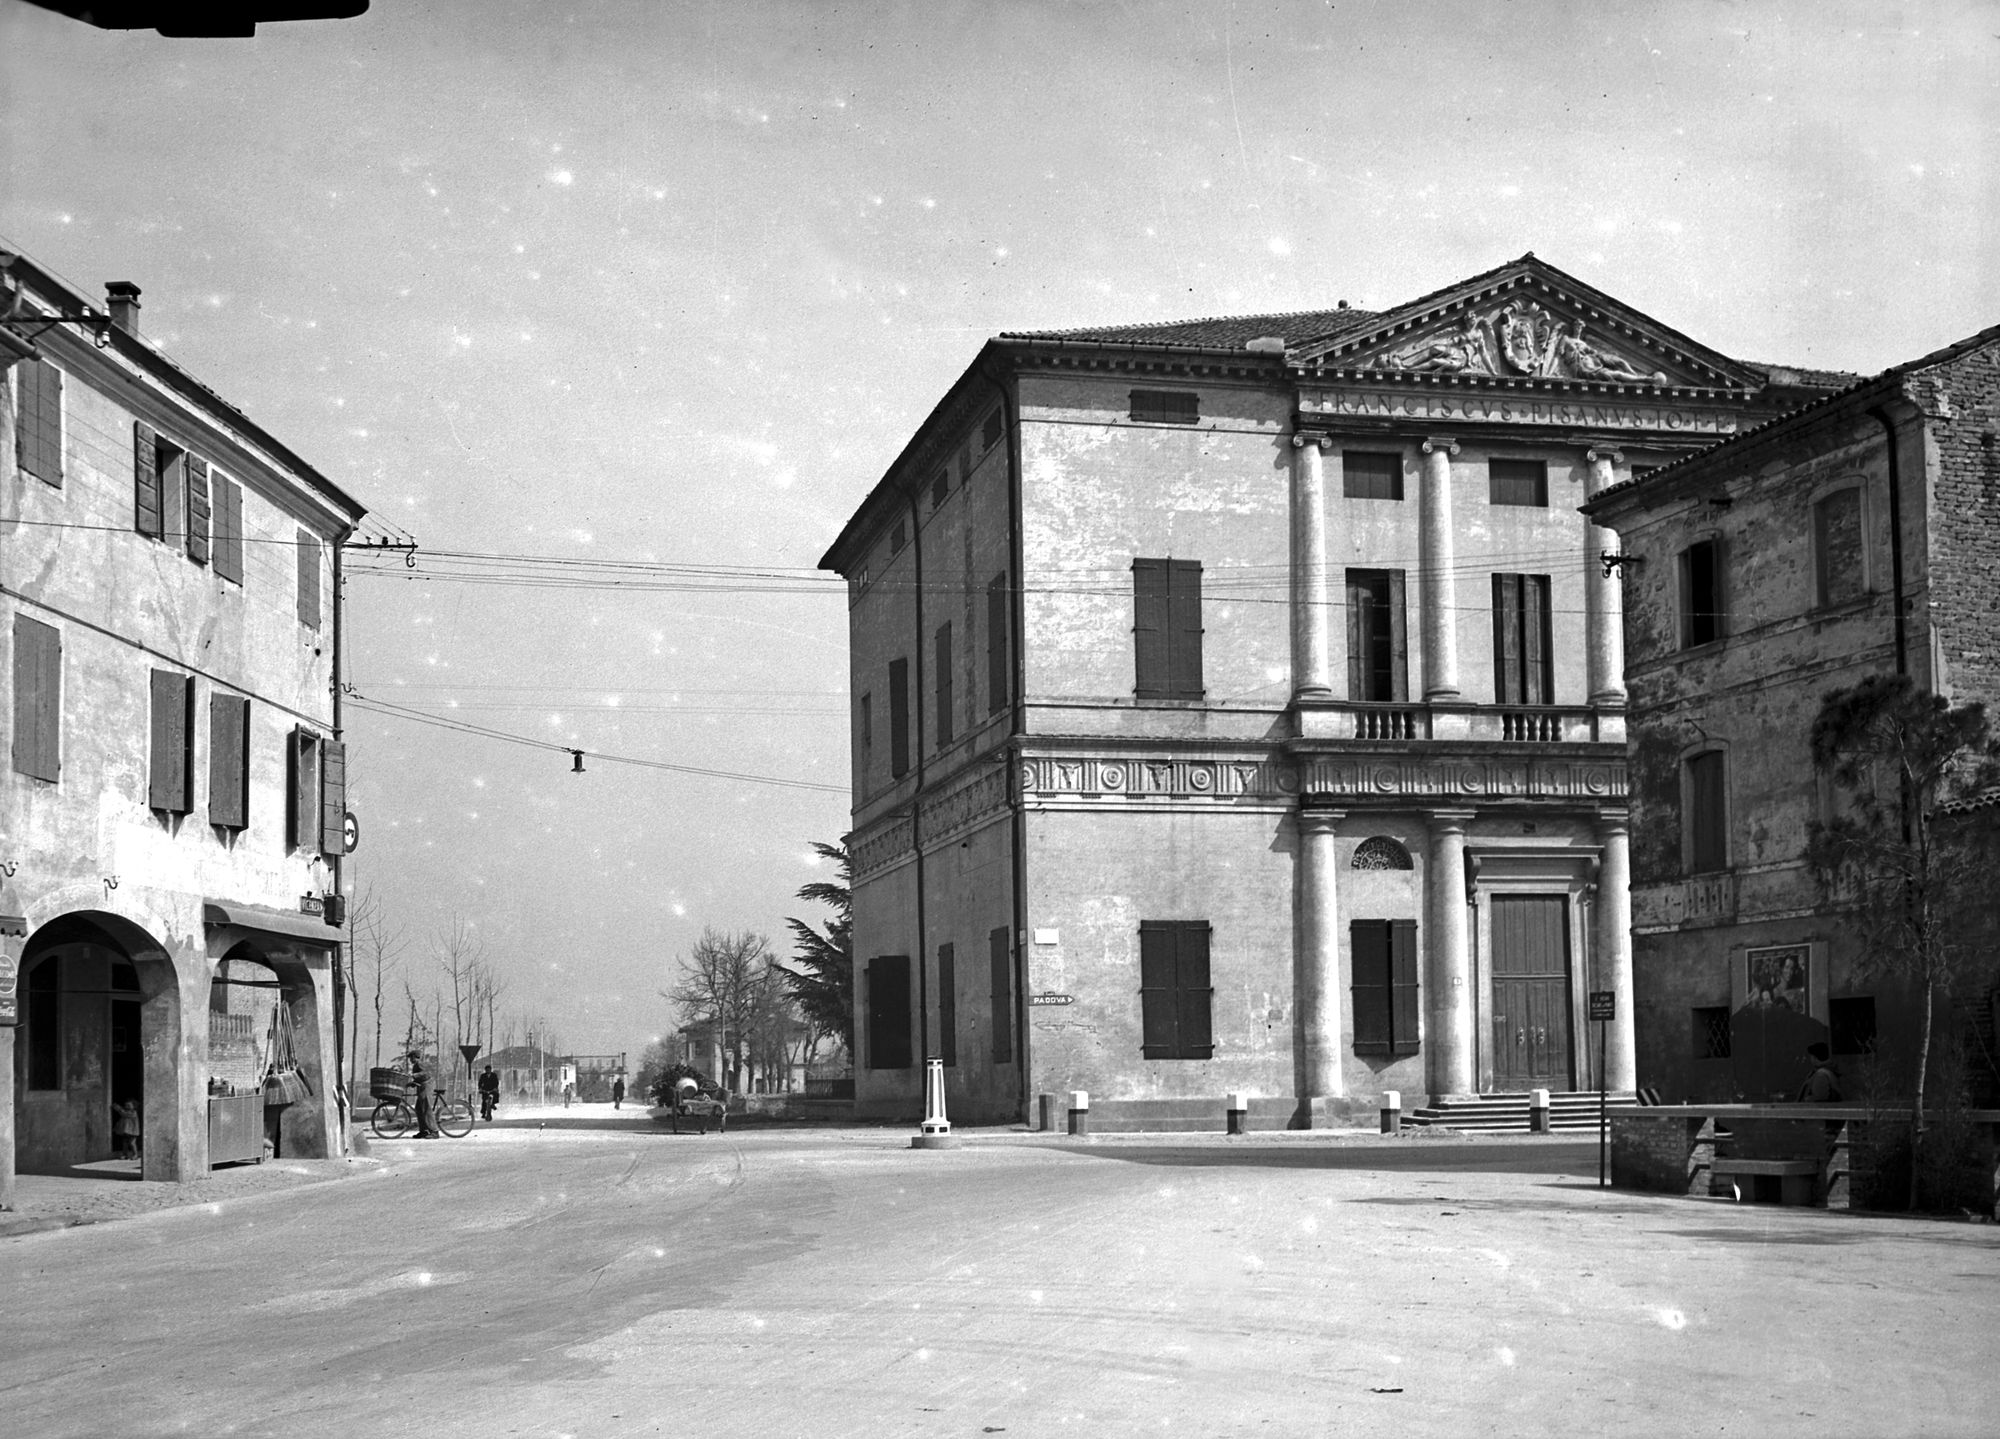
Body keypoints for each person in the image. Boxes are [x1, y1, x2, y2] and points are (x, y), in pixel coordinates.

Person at [409, 1050, 441, 1138]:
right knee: (419, 1108)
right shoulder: (416, 1065)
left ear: (415, 1057)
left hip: (426, 1087)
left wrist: (414, 1075)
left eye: (411, 1057)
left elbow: (425, 1073)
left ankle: (434, 1131)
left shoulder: (419, 1063)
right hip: (422, 1087)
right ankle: (424, 1131)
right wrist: (412, 1083)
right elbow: (420, 1077)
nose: (410, 1059)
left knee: (427, 1108)